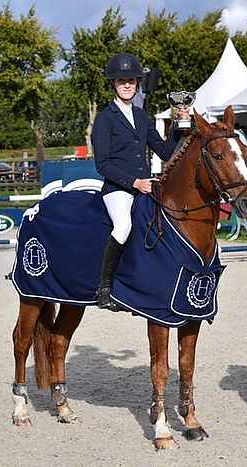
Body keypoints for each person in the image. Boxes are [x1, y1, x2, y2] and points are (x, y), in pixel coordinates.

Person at [92, 52, 190, 310]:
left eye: (131, 80)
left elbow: (166, 152)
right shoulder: (104, 119)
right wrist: (134, 182)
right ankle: (104, 287)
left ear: (137, 84)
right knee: (123, 226)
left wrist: (180, 123)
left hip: (144, 186)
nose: (127, 85)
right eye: (122, 80)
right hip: (118, 188)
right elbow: (102, 164)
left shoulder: (142, 116)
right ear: (113, 84)